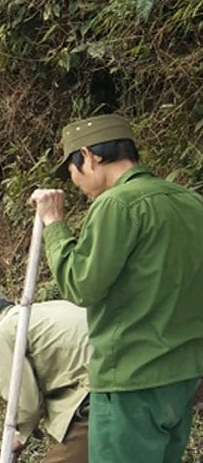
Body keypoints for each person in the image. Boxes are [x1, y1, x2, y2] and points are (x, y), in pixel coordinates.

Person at [29, 113, 203, 462]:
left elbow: (81, 285)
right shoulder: (190, 202)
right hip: (183, 378)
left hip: (130, 379)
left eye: (72, 170)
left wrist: (54, 224)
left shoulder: (116, 204)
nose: (75, 182)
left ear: (89, 156)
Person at [0, 293, 91, 463]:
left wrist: (20, 436)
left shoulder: (5, 331)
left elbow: (25, 404)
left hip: (92, 398)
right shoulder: (45, 309)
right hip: (122, 381)